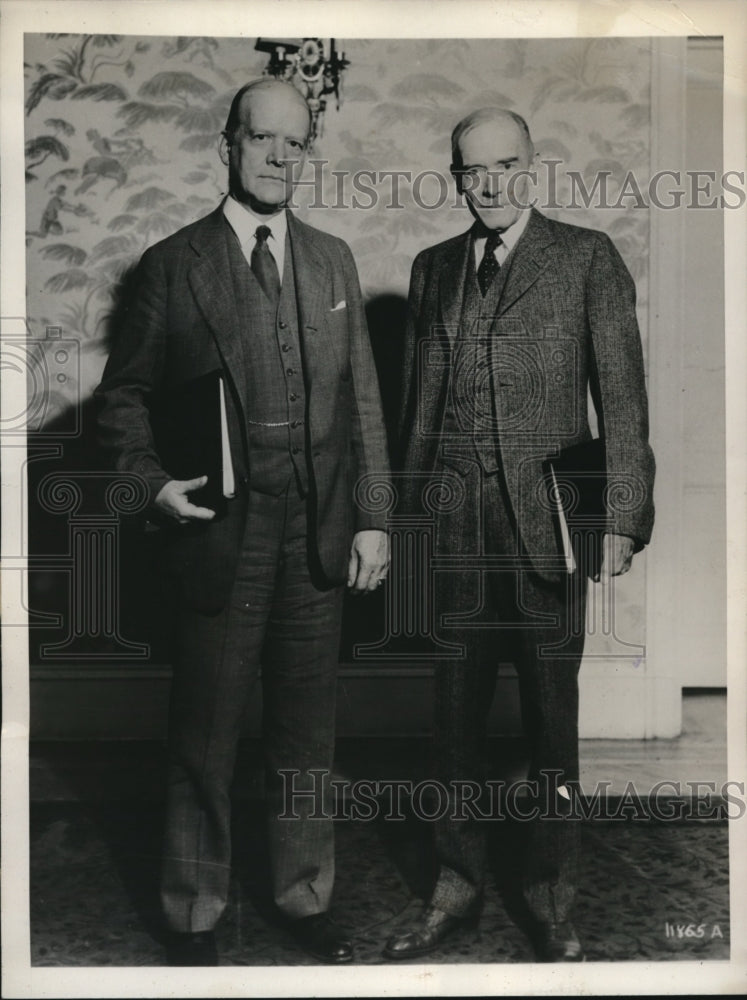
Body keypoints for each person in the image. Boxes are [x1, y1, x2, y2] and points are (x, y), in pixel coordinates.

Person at [95, 79, 390, 966]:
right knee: (204, 737)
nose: (276, 156)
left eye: (293, 144)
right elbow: (124, 399)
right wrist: (150, 485)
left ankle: (303, 898)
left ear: (307, 154)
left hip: (318, 537)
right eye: (260, 139)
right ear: (226, 144)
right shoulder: (172, 264)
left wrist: (373, 520)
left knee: (306, 736)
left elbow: (364, 405)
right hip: (219, 534)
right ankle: (193, 910)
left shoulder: (334, 260)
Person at [384, 107, 655, 962]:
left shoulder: (584, 259)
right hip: (455, 539)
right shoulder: (432, 269)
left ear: (531, 169)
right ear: (455, 177)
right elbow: (415, 413)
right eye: (473, 171)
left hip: (547, 538)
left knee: (549, 727)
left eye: (506, 167)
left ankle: (547, 895)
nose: (490, 185)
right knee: (452, 726)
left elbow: (621, 401)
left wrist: (619, 516)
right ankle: (454, 887)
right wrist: (404, 521)